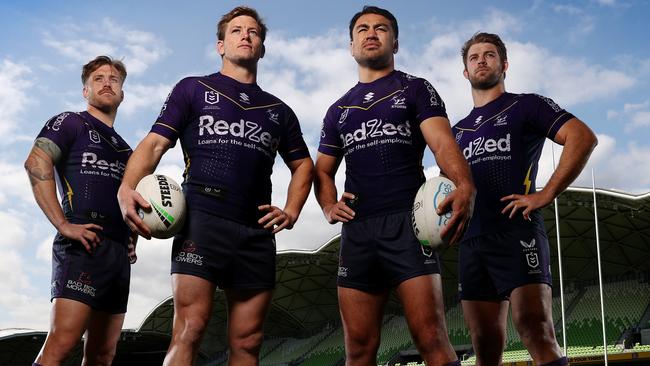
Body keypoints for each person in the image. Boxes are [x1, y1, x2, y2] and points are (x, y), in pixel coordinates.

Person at [117, 6, 313, 366]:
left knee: (249, 341)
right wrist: (126, 187)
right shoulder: (193, 89)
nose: (245, 35)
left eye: (253, 32)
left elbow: (303, 166)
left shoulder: (279, 111)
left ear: (262, 48)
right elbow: (155, 144)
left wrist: (292, 210)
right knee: (190, 327)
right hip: (202, 218)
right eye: (236, 30)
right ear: (220, 45)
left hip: (255, 230)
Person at [314, 6, 475, 366]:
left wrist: (464, 184)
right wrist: (327, 205)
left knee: (430, 336)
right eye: (363, 29)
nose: (371, 33)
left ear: (395, 42)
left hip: (408, 225)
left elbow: (442, 144)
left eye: (381, 28)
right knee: (357, 348)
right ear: (351, 44)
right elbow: (322, 171)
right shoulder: (338, 109)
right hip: (358, 231)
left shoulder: (415, 88)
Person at [454, 32, 598, 366]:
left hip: (517, 232)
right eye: (474, 57)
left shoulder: (527, 105)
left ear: (504, 65)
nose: (481, 61)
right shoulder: (457, 132)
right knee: (484, 345)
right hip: (473, 241)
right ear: (465, 72)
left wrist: (546, 193)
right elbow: (451, 187)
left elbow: (582, 137)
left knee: (536, 330)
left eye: (490, 55)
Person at [25, 56, 136, 366]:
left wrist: (131, 237)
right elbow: (36, 162)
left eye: (114, 79)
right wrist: (63, 225)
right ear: (86, 91)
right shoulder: (71, 122)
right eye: (98, 78)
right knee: (62, 342)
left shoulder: (127, 151)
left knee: (103, 355)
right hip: (82, 243)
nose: (106, 83)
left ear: (122, 93)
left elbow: (127, 199)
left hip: (116, 254)